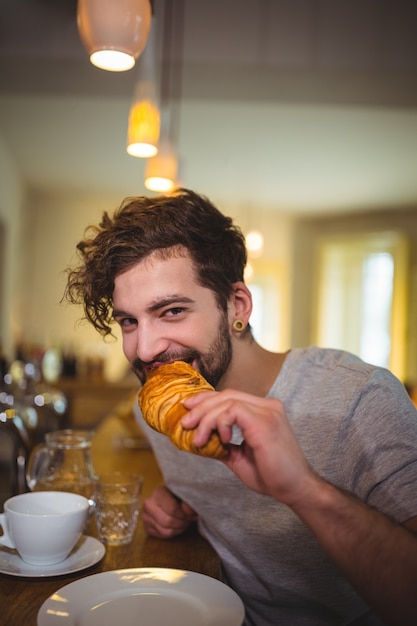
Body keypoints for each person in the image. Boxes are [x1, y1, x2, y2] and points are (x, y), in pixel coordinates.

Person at [65, 188, 417, 626]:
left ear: (238, 305)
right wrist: (182, 501)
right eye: (129, 321)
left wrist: (302, 490)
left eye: (172, 310)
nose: (145, 348)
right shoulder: (155, 410)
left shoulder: (360, 400)